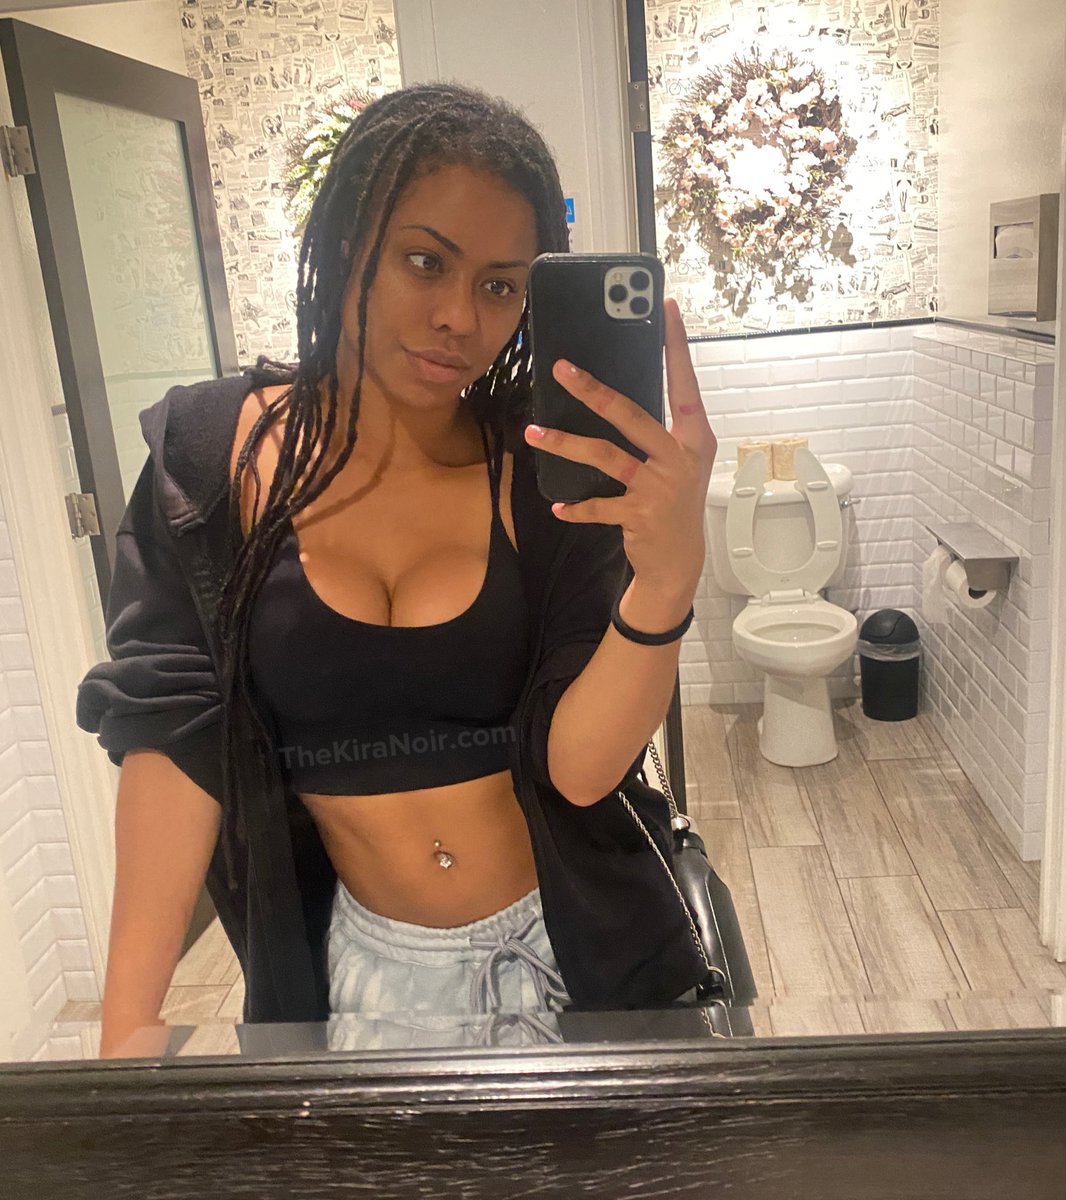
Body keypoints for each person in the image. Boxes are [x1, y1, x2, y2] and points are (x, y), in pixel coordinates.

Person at [77, 82, 718, 1057]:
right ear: (348, 242)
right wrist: (128, 1023)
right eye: (426, 262)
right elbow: (172, 741)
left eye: (500, 286)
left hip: (582, 956)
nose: (460, 316)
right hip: (358, 980)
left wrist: (665, 584)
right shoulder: (208, 460)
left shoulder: (543, 468)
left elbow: (582, 771)